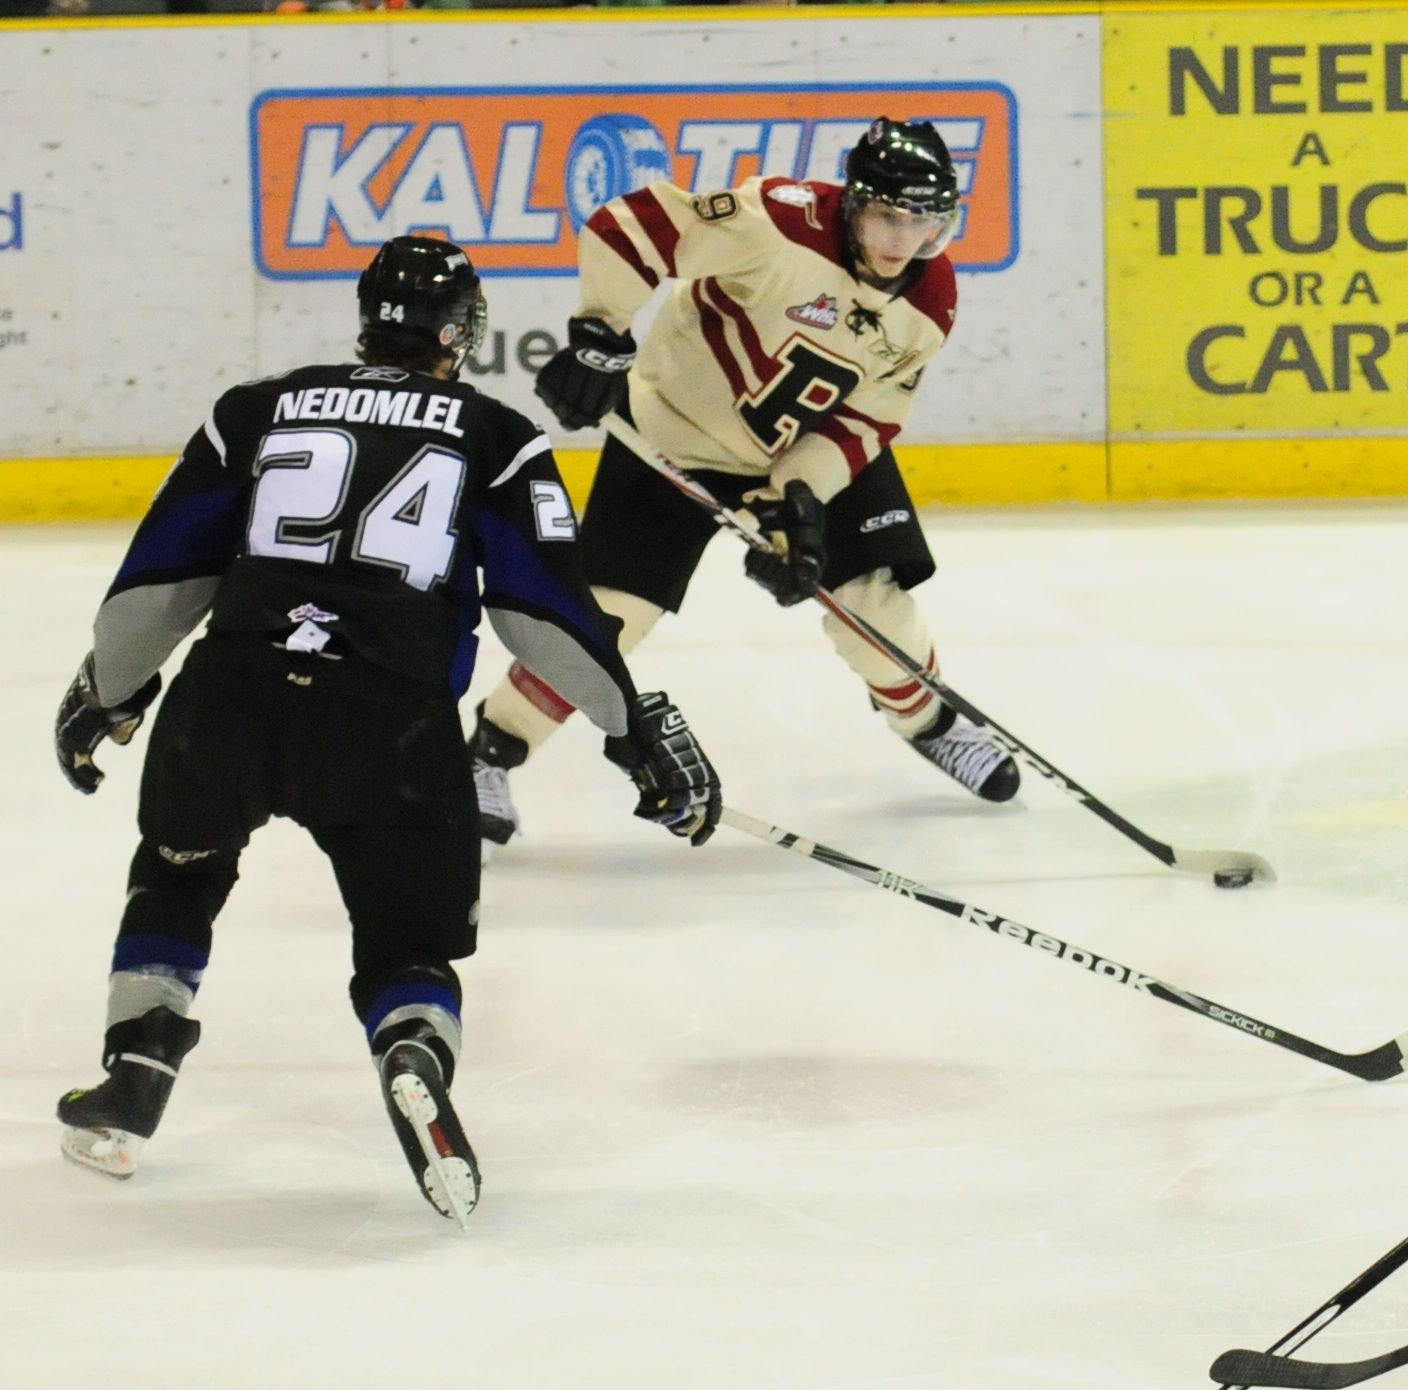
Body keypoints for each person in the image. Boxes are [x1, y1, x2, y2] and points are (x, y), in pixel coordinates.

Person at [51, 236, 719, 1225]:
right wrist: (629, 728)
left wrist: (108, 689)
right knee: (407, 945)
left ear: (368, 318)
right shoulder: (496, 436)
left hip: (229, 702)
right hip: (392, 726)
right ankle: (410, 1044)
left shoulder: (256, 409)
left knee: (179, 870)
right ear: (462, 335)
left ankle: (137, 1068)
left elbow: (162, 578)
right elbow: (543, 614)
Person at [466, 116, 1017, 848]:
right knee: (607, 620)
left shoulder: (930, 298)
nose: (900, 240)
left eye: (924, 221)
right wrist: (601, 336)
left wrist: (796, 497)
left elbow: (868, 418)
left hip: (806, 447)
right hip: (670, 438)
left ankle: (932, 721)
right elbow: (633, 224)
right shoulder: (778, 222)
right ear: (856, 202)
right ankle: (487, 753)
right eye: (888, 215)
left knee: (871, 601)